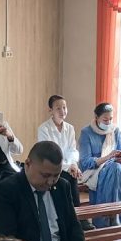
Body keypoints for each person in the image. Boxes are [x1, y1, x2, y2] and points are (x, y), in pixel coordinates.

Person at [36, 95, 89, 228]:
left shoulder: (70, 128)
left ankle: (77, 216)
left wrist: (73, 165)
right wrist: (68, 167)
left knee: (72, 175)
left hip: (67, 167)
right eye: (58, 108)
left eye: (64, 107)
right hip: (49, 167)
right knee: (67, 177)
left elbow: (72, 150)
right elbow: (48, 154)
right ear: (50, 110)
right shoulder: (44, 129)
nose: (62, 111)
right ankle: (73, 218)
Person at [78, 102, 121, 228]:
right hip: (95, 170)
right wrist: (107, 157)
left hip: (114, 168)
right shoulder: (86, 132)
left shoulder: (115, 130)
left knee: (116, 168)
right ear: (96, 118)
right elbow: (85, 162)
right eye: (105, 120)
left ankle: (109, 216)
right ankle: (115, 215)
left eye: (111, 119)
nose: (108, 123)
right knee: (115, 171)